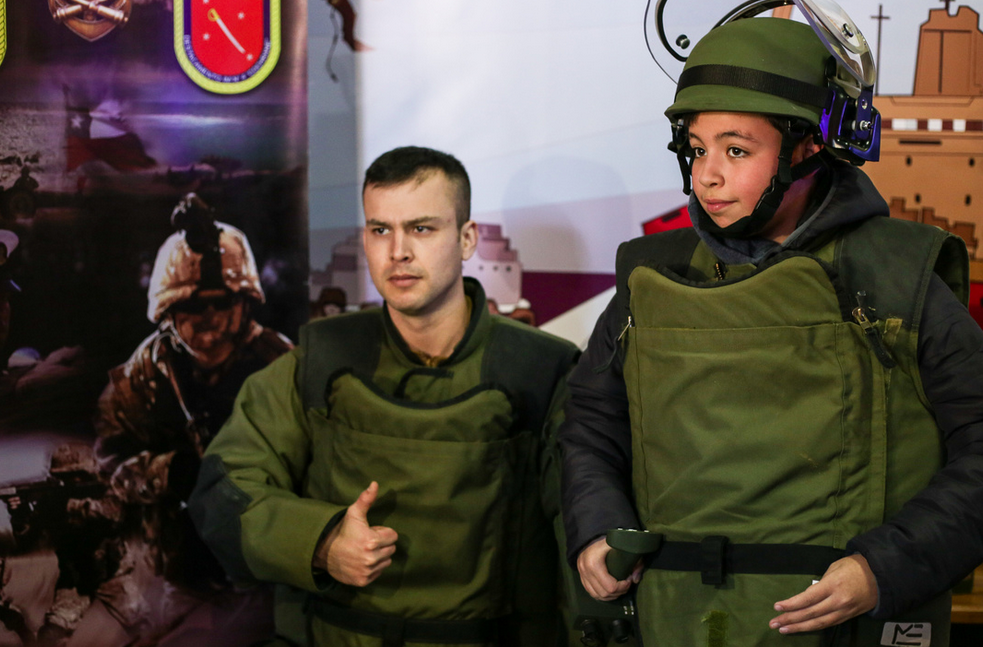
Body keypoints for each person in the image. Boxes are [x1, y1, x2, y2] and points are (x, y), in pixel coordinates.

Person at [560, 13, 983, 647]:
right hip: (675, 617)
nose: (707, 175)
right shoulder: (653, 274)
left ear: (809, 146)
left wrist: (884, 569)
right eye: (697, 149)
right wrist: (596, 527)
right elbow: (590, 424)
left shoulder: (898, 275)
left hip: (844, 623)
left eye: (736, 150)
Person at [189, 146, 580, 647]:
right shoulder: (319, 362)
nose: (398, 251)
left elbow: (586, 537)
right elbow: (223, 491)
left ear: (466, 239)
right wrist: (321, 542)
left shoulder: (543, 371)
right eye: (380, 230)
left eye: (421, 228)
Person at [91, 193, 292, 643]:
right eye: (193, 308)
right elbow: (106, 462)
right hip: (178, 572)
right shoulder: (144, 375)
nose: (210, 321)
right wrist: (170, 472)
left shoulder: (281, 365)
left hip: (265, 569)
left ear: (245, 303)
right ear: (168, 313)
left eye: (222, 303)